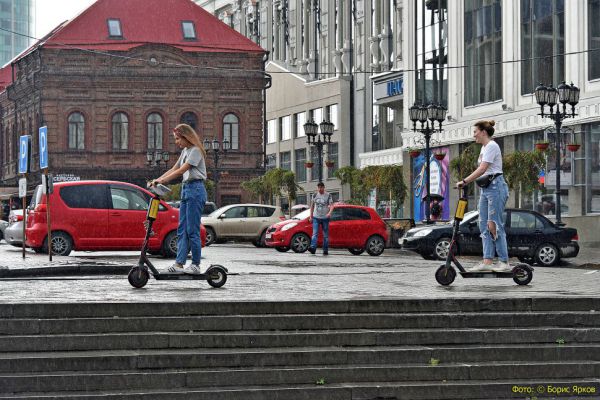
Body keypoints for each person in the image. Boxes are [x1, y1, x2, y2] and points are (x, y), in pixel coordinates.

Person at [150, 124, 207, 275]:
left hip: (196, 189)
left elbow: (182, 170)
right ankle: (179, 264)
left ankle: (195, 265)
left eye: (177, 139)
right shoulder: (185, 151)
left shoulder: (196, 151)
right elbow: (174, 169)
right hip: (186, 189)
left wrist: (163, 181)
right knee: (181, 229)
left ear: (186, 137)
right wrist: (158, 179)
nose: (176, 142)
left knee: (192, 230)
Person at [456, 120, 511, 272]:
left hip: (496, 187)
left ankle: (504, 262)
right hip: (486, 188)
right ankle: (487, 261)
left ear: (483, 132)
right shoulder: (484, 147)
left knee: (494, 224)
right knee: (483, 225)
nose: (474, 135)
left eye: (475, 132)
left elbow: (482, 169)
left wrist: (465, 181)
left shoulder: (492, 146)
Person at [308, 182, 333, 255]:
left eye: (321, 187)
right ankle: (313, 248)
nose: (320, 189)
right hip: (316, 217)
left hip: (325, 218)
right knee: (314, 234)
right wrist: (310, 216)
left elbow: (332, 205)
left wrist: (329, 213)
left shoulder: (328, 195)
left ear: (323, 187)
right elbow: (312, 206)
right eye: (318, 187)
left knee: (325, 235)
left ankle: (325, 250)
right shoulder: (315, 195)